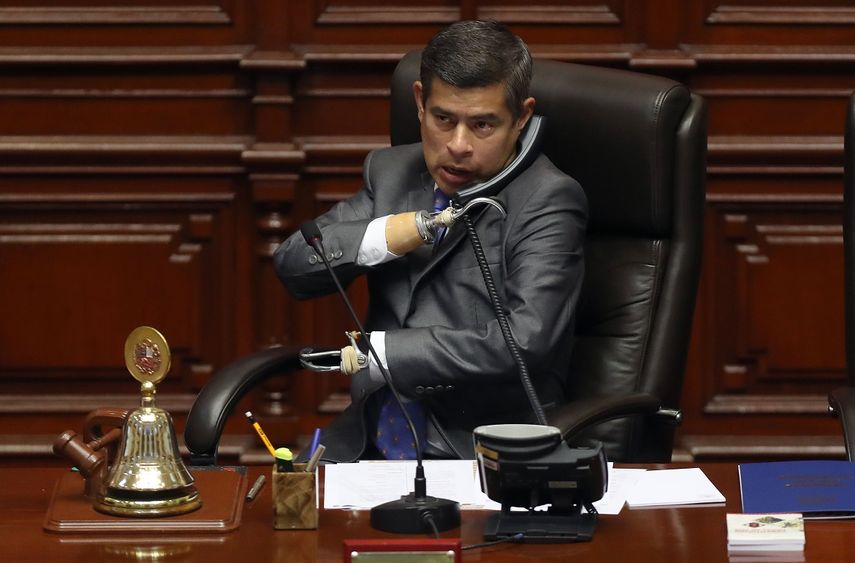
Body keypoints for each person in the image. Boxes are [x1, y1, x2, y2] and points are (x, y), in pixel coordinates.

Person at [274, 20, 587, 462]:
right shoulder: (391, 172)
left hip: (477, 449)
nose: (458, 145)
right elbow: (293, 264)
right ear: (420, 102)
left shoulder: (548, 198)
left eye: (482, 124)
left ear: (521, 117)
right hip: (366, 439)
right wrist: (387, 235)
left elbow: (525, 341)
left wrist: (383, 352)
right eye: (444, 119)